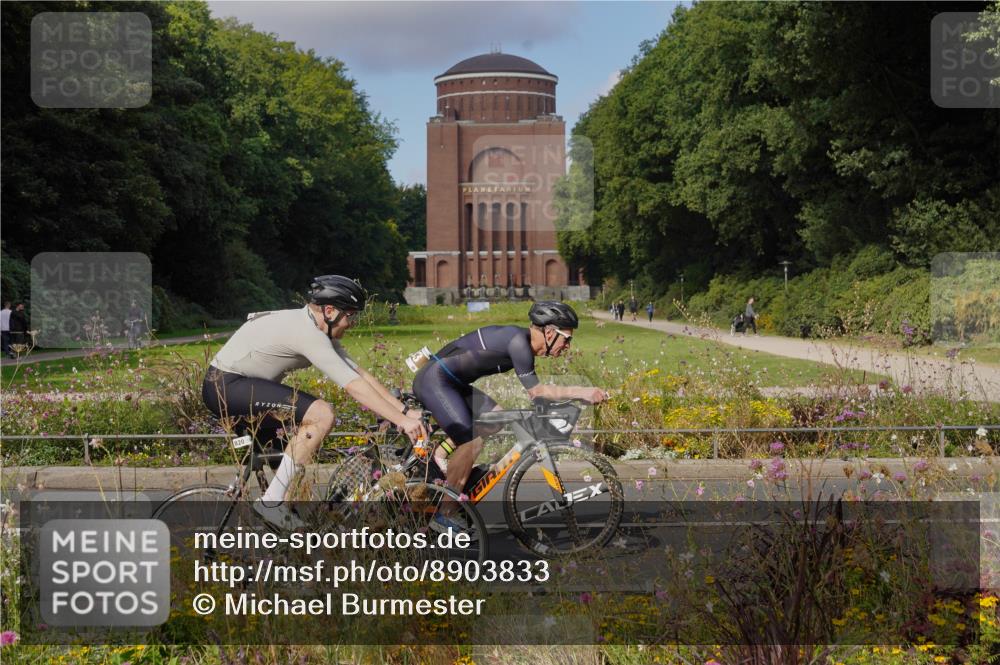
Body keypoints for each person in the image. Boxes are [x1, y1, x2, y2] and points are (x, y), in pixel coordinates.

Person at [202, 275, 428, 528]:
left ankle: (287, 550)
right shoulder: (307, 333)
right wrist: (401, 421)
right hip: (226, 386)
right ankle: (270, 503)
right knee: (321, 414)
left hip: (242, 387)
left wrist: (405, 412)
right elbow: (353, 387)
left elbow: (359, 374)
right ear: (329, 311)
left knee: (294, 479)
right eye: (350, 315)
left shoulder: (318, 330)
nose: (352, 323)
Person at [413, 301, 608, 533]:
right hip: (436, 381)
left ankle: (443, 456)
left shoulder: (521, 343)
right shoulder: (519, 344)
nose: (567, 346)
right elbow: (537, 391)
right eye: (566, 339)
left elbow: (538, 398)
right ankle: (444, 515)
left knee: (496, 418)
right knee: (471, 442)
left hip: (452, 383)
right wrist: (581, 391)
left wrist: (569, 399)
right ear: (548, 332)